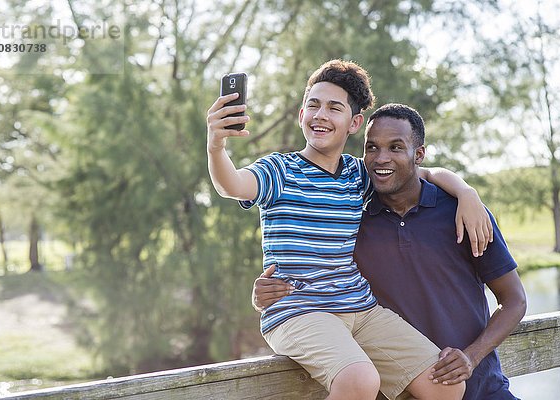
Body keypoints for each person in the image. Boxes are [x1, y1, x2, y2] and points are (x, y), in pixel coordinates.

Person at [207, 59, 480, 400]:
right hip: (299, 310)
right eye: (313, 105)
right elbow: (230, 184)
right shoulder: (278, 170)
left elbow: (425, 173)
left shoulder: (359, 174)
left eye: (334, 108)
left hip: (360, 309)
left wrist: (467, 193)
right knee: (360, 380)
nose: (320, 115)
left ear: (354, 123)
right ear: (301, 115)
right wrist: (216, 145)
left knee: (448, 384)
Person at [252, 103, 527, 400]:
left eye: (396, 148)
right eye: (372, 148)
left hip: (484, 391)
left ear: (418, 154)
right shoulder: (354, 222)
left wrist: (471, 357)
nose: (382, 158)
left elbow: (514, 300)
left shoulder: (463, 213)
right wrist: (267, 292)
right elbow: (317, 279)